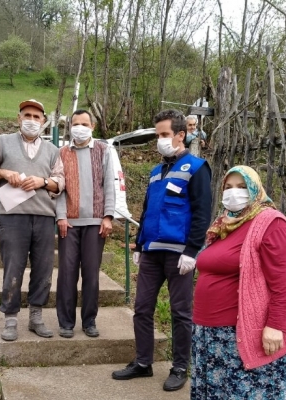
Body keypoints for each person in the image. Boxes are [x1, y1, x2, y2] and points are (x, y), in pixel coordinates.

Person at [112, 109, 212, 392]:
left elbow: (202, 213)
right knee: (142, 308)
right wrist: (139, 244)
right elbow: (147, 211)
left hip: (179, 254)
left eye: (165, 134)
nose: (160, 140)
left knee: (181, 312)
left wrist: (192, 251)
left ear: (181, 135)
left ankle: (180, 367)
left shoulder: (196, 168)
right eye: (158, 135)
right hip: (152, 252)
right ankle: (143, 362)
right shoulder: (156, 171)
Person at [191, 165, 286, 399]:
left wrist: (276, 325)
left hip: (240, 334)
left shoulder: (271, 223)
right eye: (229, 187)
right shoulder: (225, 225)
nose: (234, 192)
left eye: (242, 187)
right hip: (210, 335)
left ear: (255, 189)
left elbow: (284, 282)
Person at [0, 99, 64, 341]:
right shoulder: (3, 142)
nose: (32, 121)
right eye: (27, 115)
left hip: (44, 217)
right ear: (19, 118)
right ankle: (11, 319)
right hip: (12, 218)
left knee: (43, 270)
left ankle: (36, 317)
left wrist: (43, 182)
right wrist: (3, 172)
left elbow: (61, 181)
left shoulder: (53, 150)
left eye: (37, 117)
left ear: (43, 121)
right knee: (13, 267)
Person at [56, 110, 115, 339]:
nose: (79, 127)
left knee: (91, 274)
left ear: (93, 126)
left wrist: (108, 216)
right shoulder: (62, 153)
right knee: (67, 273)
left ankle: (89, 320)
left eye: (84, 123)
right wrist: (61, 216)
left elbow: (109, 184)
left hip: (95, 222)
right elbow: (59, 188)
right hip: (69, 223)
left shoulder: (103, 150)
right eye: (75, 123)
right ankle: (66, 322)